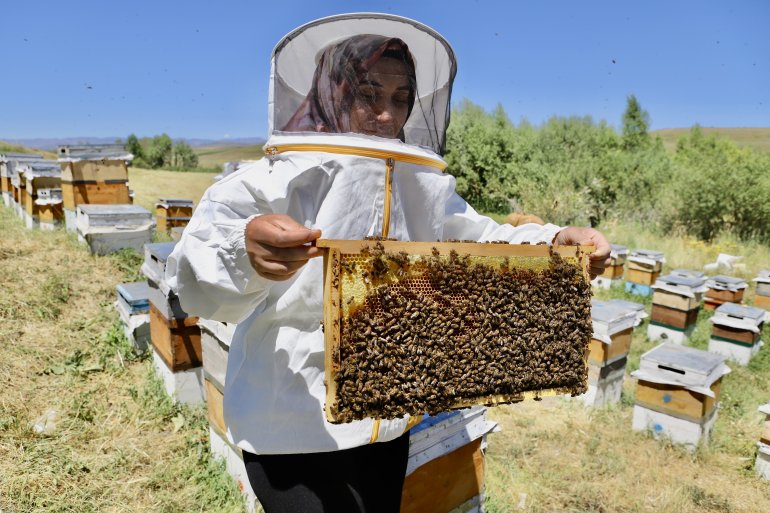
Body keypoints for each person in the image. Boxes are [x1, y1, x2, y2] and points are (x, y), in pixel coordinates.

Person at [167, 13, 610, 513]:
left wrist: (555, 241)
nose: (386, 115)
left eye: (400, 100)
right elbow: (193, 287)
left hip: (388, 417)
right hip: (290, 426)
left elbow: (483, 240)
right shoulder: (265, 184)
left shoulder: (422, 187)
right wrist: (244, 253)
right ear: (332, 92)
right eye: (369, 94)